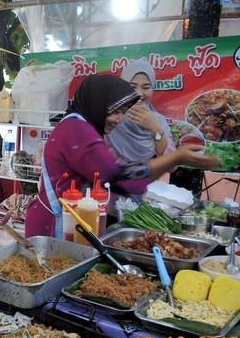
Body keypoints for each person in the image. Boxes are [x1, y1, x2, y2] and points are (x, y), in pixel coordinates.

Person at [25, 74, 219, 238]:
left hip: (66, 220)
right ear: (98, 103)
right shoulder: (77, 129)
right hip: (52, 226)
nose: (119, 119)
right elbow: (117, 176)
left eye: (123, 112)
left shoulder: (82, 126)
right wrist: (176, 157)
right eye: (115, 112)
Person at [107, 59, 176, 162]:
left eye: (146, 87)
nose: (139, 93)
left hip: (149, 177)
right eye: (132, 86)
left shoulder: (158, 121)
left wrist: (154, 128)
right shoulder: (110, 120)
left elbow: (172, 165)